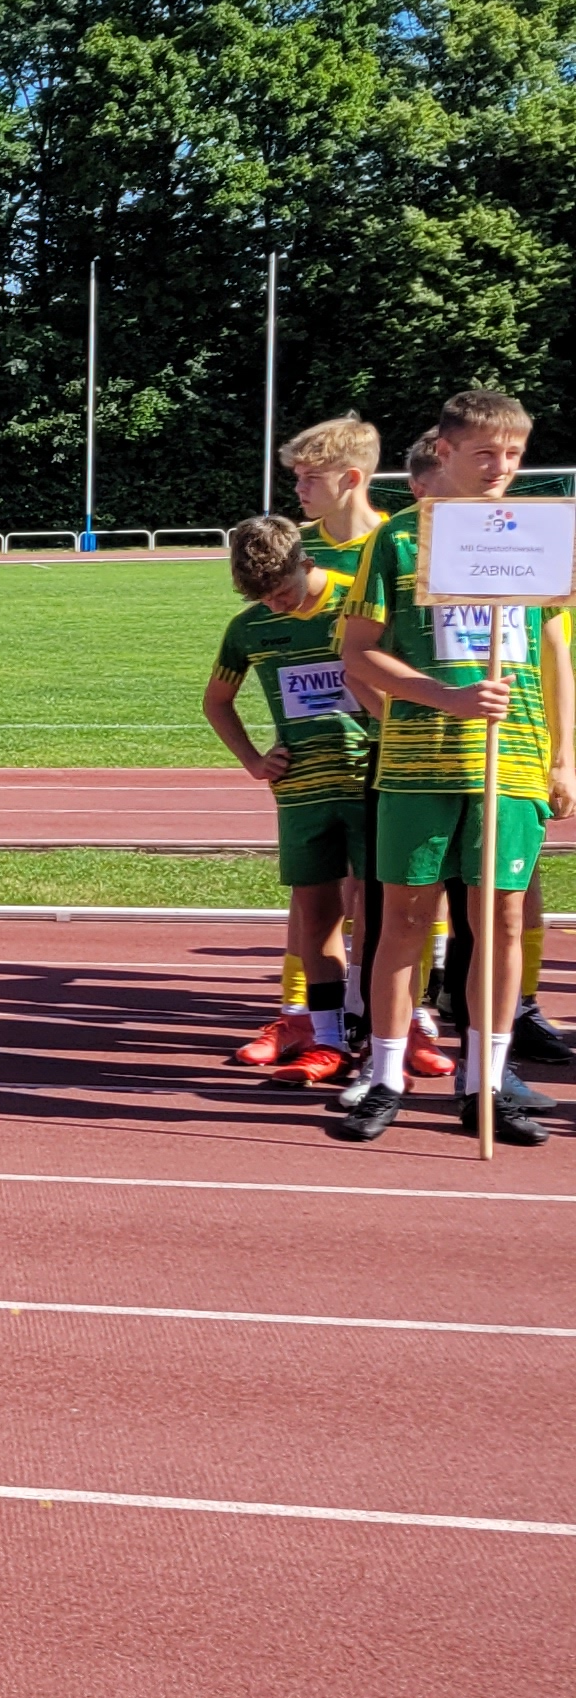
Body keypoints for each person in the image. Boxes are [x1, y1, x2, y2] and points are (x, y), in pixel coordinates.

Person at [331, 384, 575, 1146]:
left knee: (500, 920)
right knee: (404, 919)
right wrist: (440, 695)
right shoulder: (399, 542)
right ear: (444, 452)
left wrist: (564, 757)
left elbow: (552, 648)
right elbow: (358, 651)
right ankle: (387, 1072)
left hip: (515, 762)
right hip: (417, 763)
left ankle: (486, 1079)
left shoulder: (538, 537)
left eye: (513, 454)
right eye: (485, 454)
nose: (501, 467)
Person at [228, 417, 383, 1064]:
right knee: (314, 896)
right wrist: (254, 759)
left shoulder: (397, 546)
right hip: (311, 776)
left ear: (351, 478)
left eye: (306, 476)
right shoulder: (290, 546)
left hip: (383, 763)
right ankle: (302, 1019)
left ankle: (402, 1026)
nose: (295, 487)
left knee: (389, 897)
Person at [203, 514, 374, 1090]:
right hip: (302, 790)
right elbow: (217, 701)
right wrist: (254, 761)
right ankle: (325, 1040)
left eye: (282, 592)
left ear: (306, 563)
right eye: (263, 598)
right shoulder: (249, 627)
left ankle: (376, 1029)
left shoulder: (358, 605)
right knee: (316, 911)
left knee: (378, 910)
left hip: (371, 781)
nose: (275, 606)